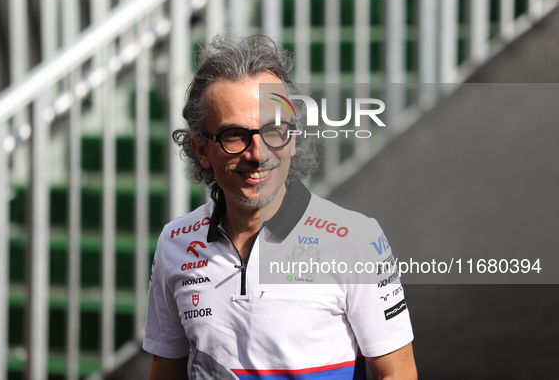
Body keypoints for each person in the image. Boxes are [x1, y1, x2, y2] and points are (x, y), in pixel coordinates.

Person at [143, 34, 417, 380]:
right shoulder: (175, 241)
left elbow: (398, 373)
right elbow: (164, 372)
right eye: (234, 135)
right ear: (200, 149)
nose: (258, 153)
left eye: (274, 130)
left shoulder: (356, 239)